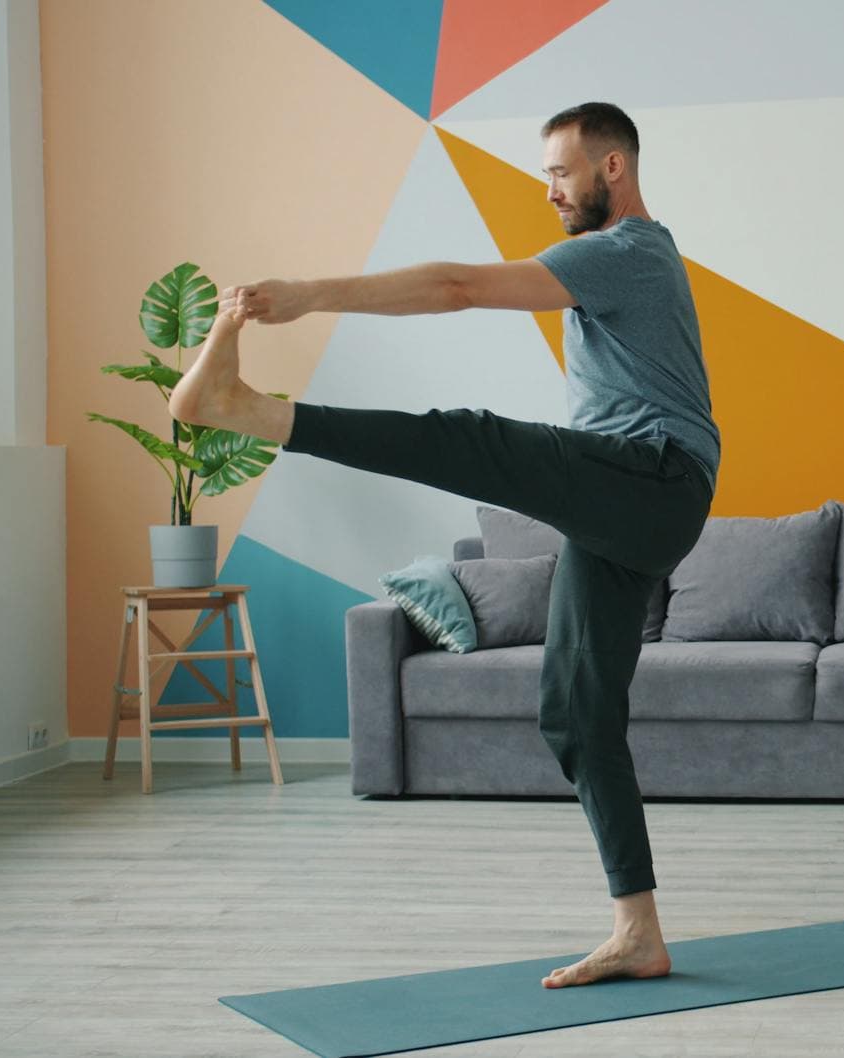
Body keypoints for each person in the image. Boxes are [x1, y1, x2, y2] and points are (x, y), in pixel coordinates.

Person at [169, 102, 718, 990]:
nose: (549, 191)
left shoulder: (627, 251)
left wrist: (312, 294)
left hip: (655, 479)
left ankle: (254, 412)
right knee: (575, 712)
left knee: (470, 439)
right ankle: (638, 932)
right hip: (629, 503)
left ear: (613, 168)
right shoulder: (623, 260)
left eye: (561, 173)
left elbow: (457, 288)